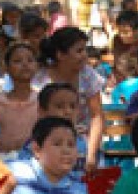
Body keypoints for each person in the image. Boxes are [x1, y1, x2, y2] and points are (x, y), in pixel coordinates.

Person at [34, 27, 105, 170]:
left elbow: (97, 116)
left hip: (84, 140)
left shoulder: (88, 76)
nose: (85, 55)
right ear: (61, 55)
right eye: (79, 51)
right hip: (49, 138)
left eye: (85, 50)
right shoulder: (41, 79)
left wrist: (91, 155)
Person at [0, 43, 39, 159]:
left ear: (36, 66)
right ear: (6, 68)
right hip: (6, 157)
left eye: (30, 60)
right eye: (17, 61)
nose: (25, 64)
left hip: (35, 157)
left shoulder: (41, 99)